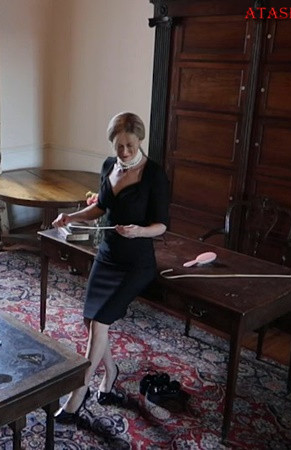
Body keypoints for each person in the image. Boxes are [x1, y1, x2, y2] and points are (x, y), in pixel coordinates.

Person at [51, 112, 170, 423]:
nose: (125, 152)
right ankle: (112, 371)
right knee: (91, 320)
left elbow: (162, 225)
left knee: (101, 323)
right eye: (119, 146)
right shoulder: (108, 166)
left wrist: (139, 231)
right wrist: (71, 217)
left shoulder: (154, 175)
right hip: (107, 256)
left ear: (140, 141)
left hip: (136, 263)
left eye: (130, 145)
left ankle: (80, 393)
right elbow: (101, 207)